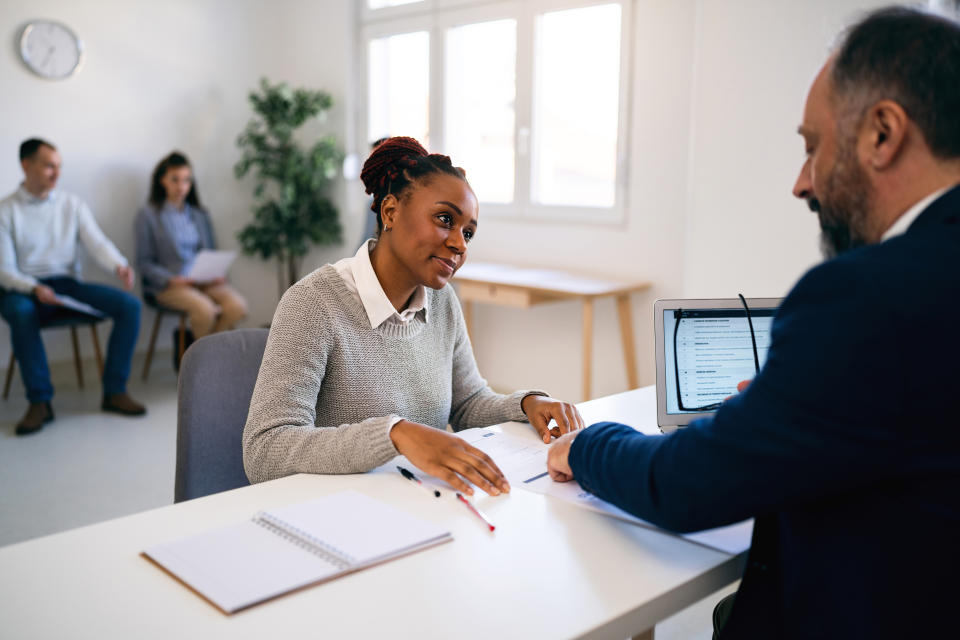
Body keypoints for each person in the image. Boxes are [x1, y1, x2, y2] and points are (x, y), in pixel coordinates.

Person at [547, 7, 960, 639]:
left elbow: (683, 486)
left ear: (883, 133)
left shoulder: (867, 297)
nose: (802, 183)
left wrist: (586, 443)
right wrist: (786, 410)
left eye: (813, 146)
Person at [244, 136, 584, 495]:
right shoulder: (314, 304)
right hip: (336, 513)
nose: (460, 244)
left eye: (468, 232)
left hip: (419, 505)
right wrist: (395, 434)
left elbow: (467, 403)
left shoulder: (442, 302)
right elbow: (265, 450)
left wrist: (527, 403)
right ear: (390, 212)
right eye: (444, 219)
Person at [0, 139, 146, 435]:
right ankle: (40, 402)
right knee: (20, 312)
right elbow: (4, 270)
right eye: (49, 166)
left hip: (65, 285)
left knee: (129, 306)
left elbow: (97, 242)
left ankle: (114, 391)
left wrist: (119, 264)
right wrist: (33, 288)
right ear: (26, 165)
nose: (56, 173)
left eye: (59, 166)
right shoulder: (6, 211)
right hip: (23, 289)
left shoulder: (71, 205)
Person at [135, 152, 247, 341]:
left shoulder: (199, 215)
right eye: (175, 180)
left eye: (186, 180)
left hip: (203, 281)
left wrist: (217, 274)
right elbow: (144, 262)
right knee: (205, 311)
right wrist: (171, 280)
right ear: (162, 180)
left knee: (237, 307)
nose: (181, 186)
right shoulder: (148, 216)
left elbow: (211, 252)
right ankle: (204, 363)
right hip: (170, 285)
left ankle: (207, 357)